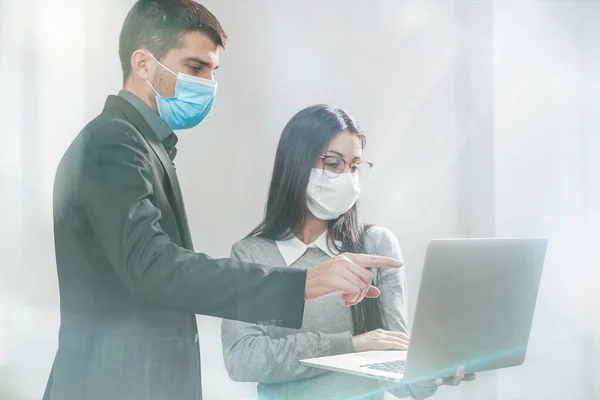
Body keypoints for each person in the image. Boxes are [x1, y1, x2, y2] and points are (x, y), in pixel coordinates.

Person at [43, 2, 403, 400]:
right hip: (113, 387)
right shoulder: (113, 143)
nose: (208, 83)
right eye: (196, 68)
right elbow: (153, 268)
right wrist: (301, 283)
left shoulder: (144, 145)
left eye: (213, 72)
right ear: (143, 63)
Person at [221, 105, 475, 400]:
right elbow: (242, 359)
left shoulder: (375, 245)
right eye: (333, 164)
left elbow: (396, 362)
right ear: (296, 164)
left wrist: (433, 372)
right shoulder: (251, 254)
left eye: (354, 166)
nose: (346, 176)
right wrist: (350, 345)